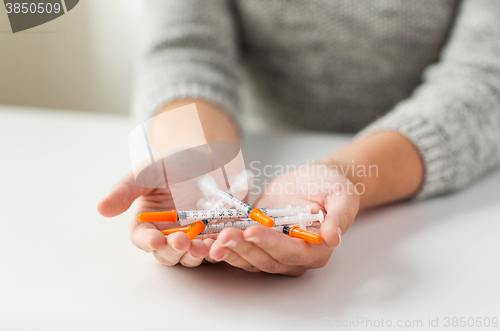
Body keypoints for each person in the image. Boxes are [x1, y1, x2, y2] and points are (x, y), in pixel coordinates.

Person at [98, 0, 500, 276]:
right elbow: (186, 47)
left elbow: (484, 81)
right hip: (256, 142)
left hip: (433, 184)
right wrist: (188, 150)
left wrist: (342, 173)